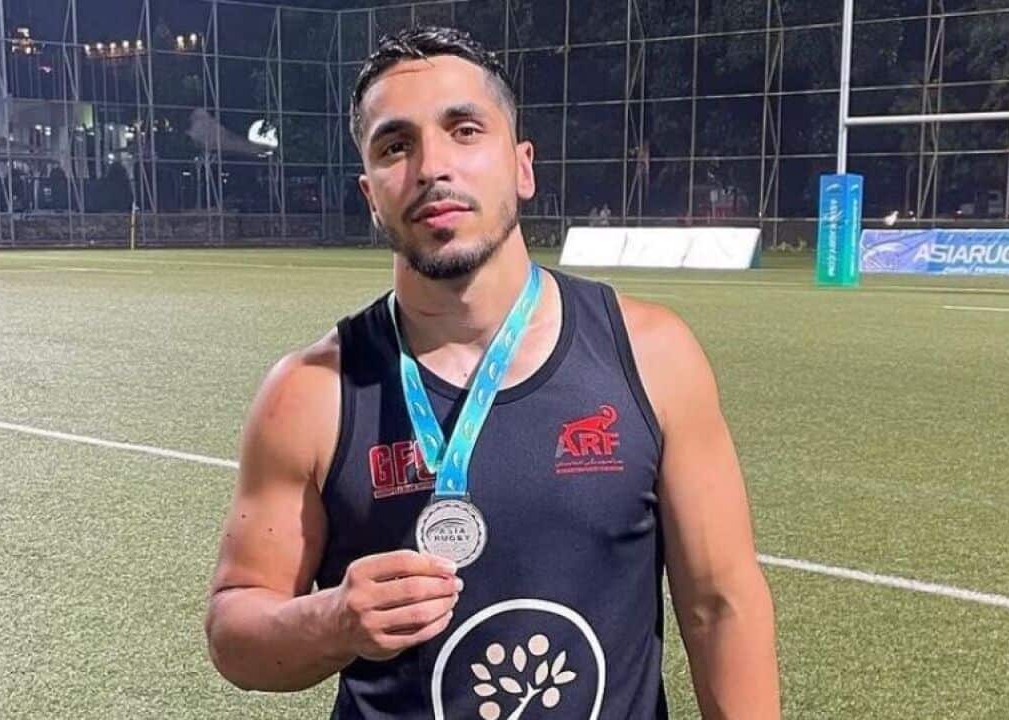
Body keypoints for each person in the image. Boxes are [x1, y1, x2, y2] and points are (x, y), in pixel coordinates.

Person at [205, 25, 779, 719]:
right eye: (396, 145)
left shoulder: (652, 354)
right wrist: (333, 622)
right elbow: (235, 632)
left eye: (465, 130)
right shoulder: (309, 393)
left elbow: (722, 607)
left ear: (522, 165)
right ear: (370, 193)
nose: (431, 167)